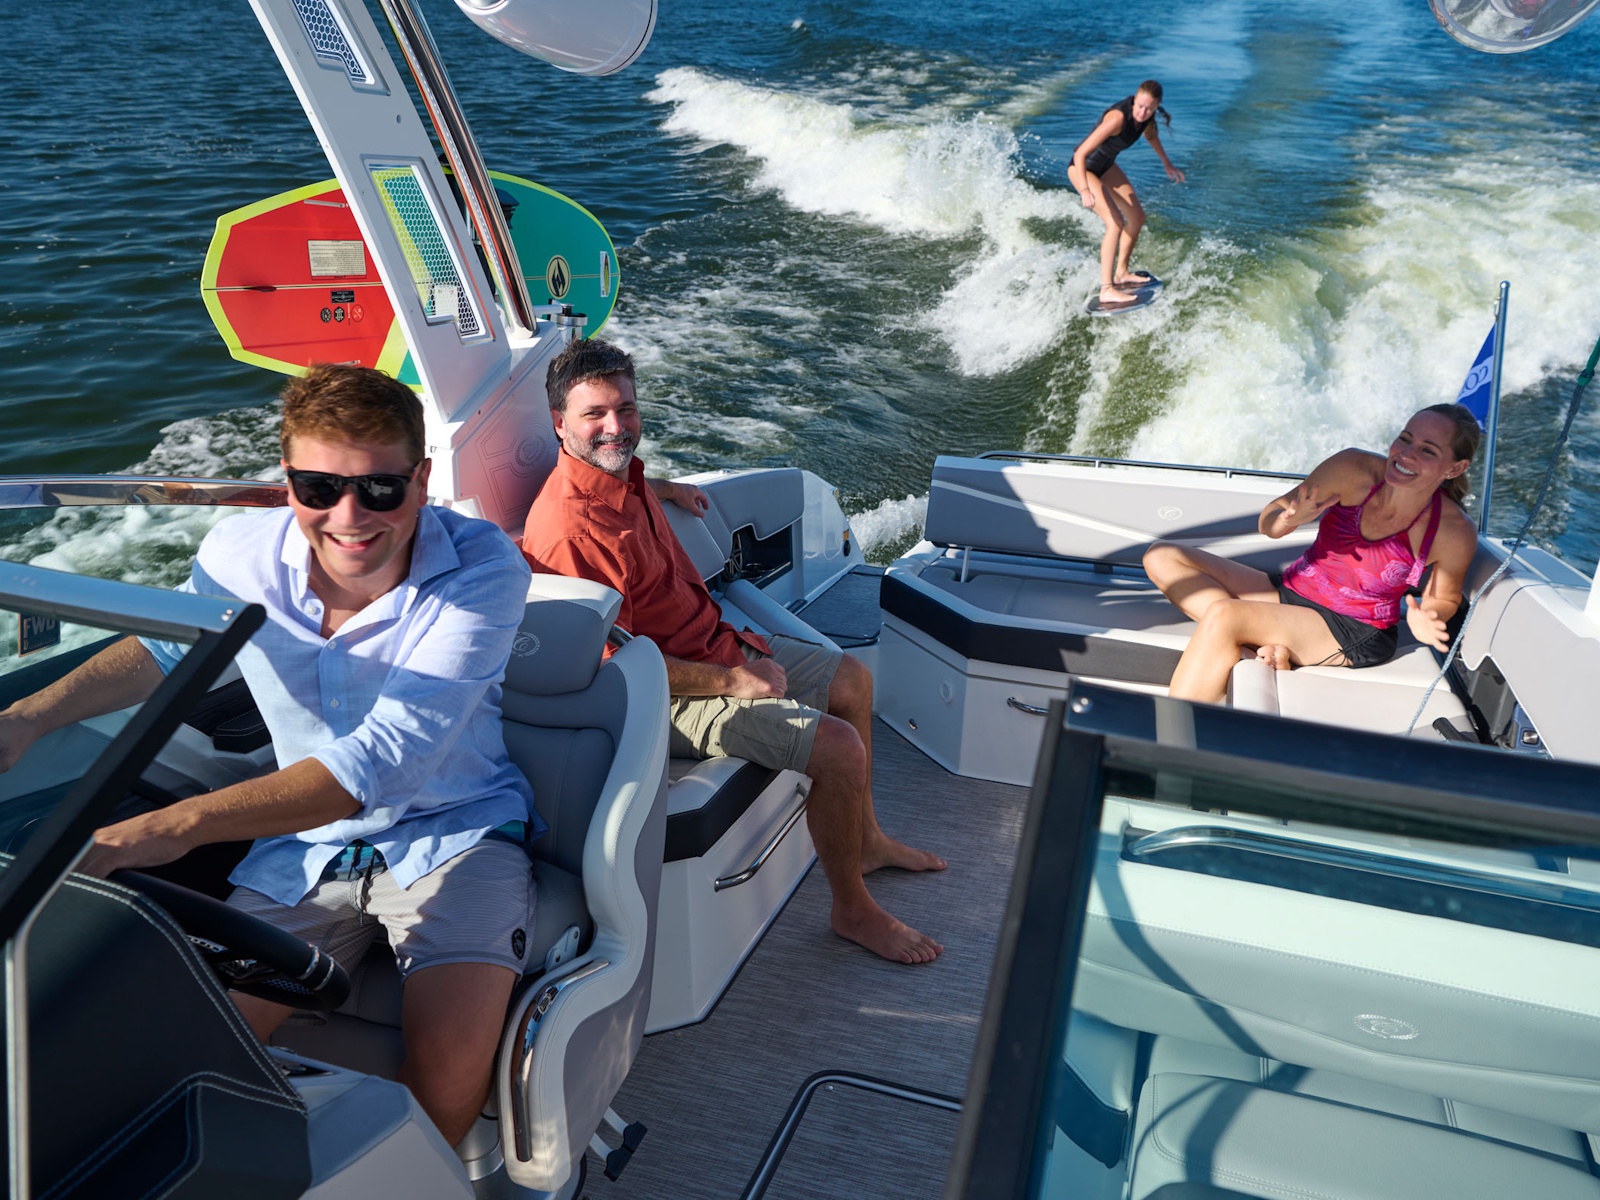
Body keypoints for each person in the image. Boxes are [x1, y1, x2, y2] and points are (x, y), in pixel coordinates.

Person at [0, 364, 540, 1147]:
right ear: (288, 481)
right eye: (320, 488)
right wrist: (25, 718)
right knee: (187, 1058)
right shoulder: (237, 555)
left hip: (455, 832)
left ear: (422, 481)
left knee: (450, 1067)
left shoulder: (483, 571)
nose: (350, 516)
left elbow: (382, 762)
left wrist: (162, 830)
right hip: (304, 848)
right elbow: (165, 650)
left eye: (380, 489)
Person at [521, 338, 947, 965]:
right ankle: (851, 910)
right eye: (596, 415)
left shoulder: (623, 476)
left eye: (626, 409)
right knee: (838, 747)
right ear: (560, 423)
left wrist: (665, 487)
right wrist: (732, 683)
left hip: (715, 641)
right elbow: (613, 669)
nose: (617, 426)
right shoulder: (571, 531)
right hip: (664, 694)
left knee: (853, 680)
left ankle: (867, 841)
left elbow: (623, 475)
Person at [1143, 404, 1481, 704]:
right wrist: (1289, 520)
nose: (1406, 454)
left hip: (1352, 628)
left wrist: (1428, 617)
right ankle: (1248, 647)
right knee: (1161, 556)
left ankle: (1170, 741)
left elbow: (1445, 598)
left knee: (1225, 615)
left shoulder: (1453, 529)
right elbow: (1268, 521)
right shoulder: (1353, 468)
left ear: (1455, 468)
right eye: (1405, 438)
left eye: (1427, 450)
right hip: (1292, 589)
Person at [1068, 80, 1185, 308]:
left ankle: (1121, 273)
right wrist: (1084, 189)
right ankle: (1106, 289)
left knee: (1137, 217)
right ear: (1134, 100)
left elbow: (1151, 136)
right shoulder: (1117, 119)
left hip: (1105, 166)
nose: (1142, 112)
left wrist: (1167, 163)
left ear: (1156, 107)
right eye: (1139, 106)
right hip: (1082, 169)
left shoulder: (1146, 119)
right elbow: (1080, 154)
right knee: (1115, 223)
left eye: (1149, 109)